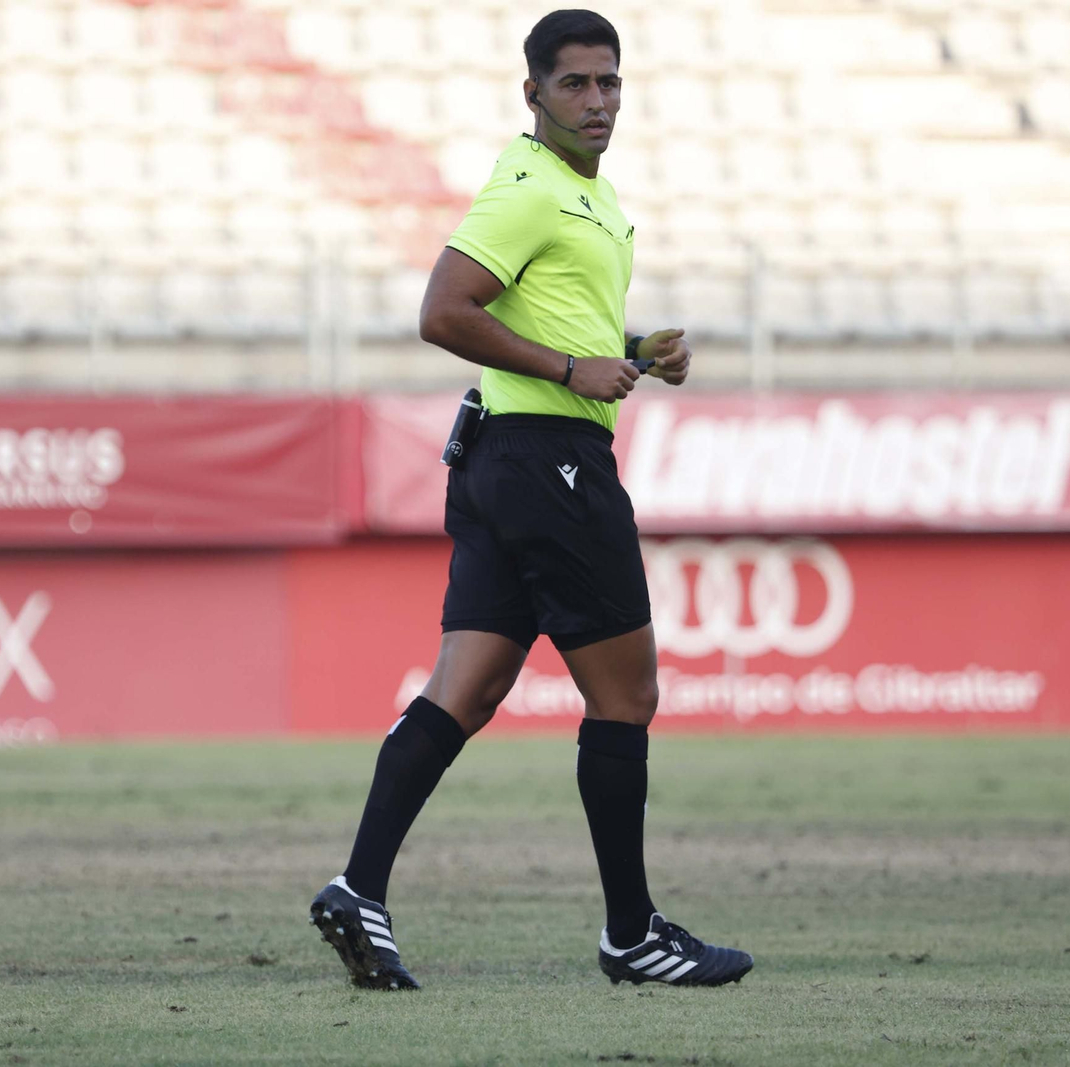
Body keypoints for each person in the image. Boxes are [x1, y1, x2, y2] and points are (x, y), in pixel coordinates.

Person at [309, 9, 753, 991]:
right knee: (626, 693)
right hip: (547, 464)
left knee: (465, 688)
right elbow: (441, 311)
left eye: (609, 83)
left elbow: (553, 325)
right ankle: (631, 932)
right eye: (576, 85)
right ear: (533, 95)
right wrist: (567, 367)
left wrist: (633, 354)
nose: (596, 101)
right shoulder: (528, 189)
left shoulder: (586, 199)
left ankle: (358, 887)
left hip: (503, 459)